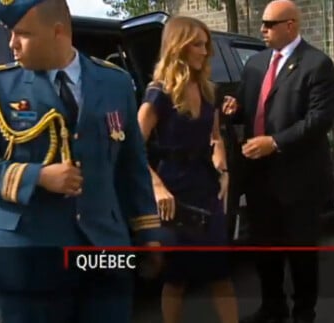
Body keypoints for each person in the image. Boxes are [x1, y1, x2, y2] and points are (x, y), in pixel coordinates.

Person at [0, 0, 162, 322]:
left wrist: (149, 233)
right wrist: (37, 176)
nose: (12, 44)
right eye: (11, 34)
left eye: (22, 34)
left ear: (57, 32)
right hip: (29, 252)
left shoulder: (114, 82)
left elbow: (131, 165)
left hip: (103, 250)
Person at [222, 1, 334, 322]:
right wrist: (235, 108)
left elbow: (319, 120)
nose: (263, 29)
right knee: (265, 249)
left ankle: (303, 311)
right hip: (259, 176)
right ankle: (272, 307)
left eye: (270, 24)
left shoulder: (316, 64)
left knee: (301, 252)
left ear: (291, 26)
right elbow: (249, 105)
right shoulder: (256, 64)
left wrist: (274, 143)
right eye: (262, 23)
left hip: (299, 178)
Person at [136, 16, 238, 323]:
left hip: (206, 187)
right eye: (197, 44)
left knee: (220, 274)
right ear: (178, 47)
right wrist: (155, 186)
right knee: (176, 277)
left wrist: (223, 170)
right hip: (175, 190)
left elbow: (216, 137)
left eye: (205, 44)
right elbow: (131, 149)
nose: (204, 50)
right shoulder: (159, 92)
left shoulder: (208, 90)